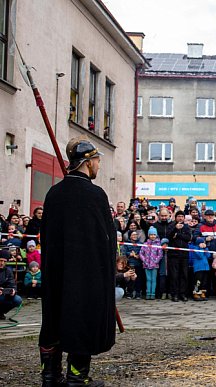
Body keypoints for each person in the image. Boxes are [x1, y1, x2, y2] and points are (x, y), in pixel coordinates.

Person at [39, 138, 118, 386]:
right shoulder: (95, 195)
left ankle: (50, 376)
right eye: (96, 161)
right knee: (80, 318)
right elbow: (106, 240)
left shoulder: (54, 193)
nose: (98, 166)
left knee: (54, 318)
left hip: (56, 273)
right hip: (86, 274)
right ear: (87, 162)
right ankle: (76, 378)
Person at [167, 211, 192, 302]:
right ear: (175, 217)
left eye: (182, 216)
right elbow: (169, 236)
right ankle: (175, 294)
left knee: (184, 275)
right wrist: (175, 230)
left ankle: (183, 294)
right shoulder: (171, 226)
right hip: (173, 255)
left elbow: (188, 238)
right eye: (179, 216)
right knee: (174, 275)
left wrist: (178, 235)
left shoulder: (186, 227)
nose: (180, 218)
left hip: (184, 255)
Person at [139, 228, 163, 300]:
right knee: (148, 279)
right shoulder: (145, 244)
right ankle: (148, 293)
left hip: (154, 265)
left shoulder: (158, 244)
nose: (152, 236)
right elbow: (141, 253)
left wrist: (155, 261)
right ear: (148, 235)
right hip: (146, 265)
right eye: (151, 234)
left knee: (154, 279)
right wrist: (145, 261)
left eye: (154, 234)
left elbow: (160, 255)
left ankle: (153, 293)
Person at [0, 250, 23, 319]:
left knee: (18, 300)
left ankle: (1, 312)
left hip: (4, 294)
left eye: (4, 261)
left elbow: (12, 284)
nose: (2, 263)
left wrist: (13, 291)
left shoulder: (8, 271)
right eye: (0, 261)